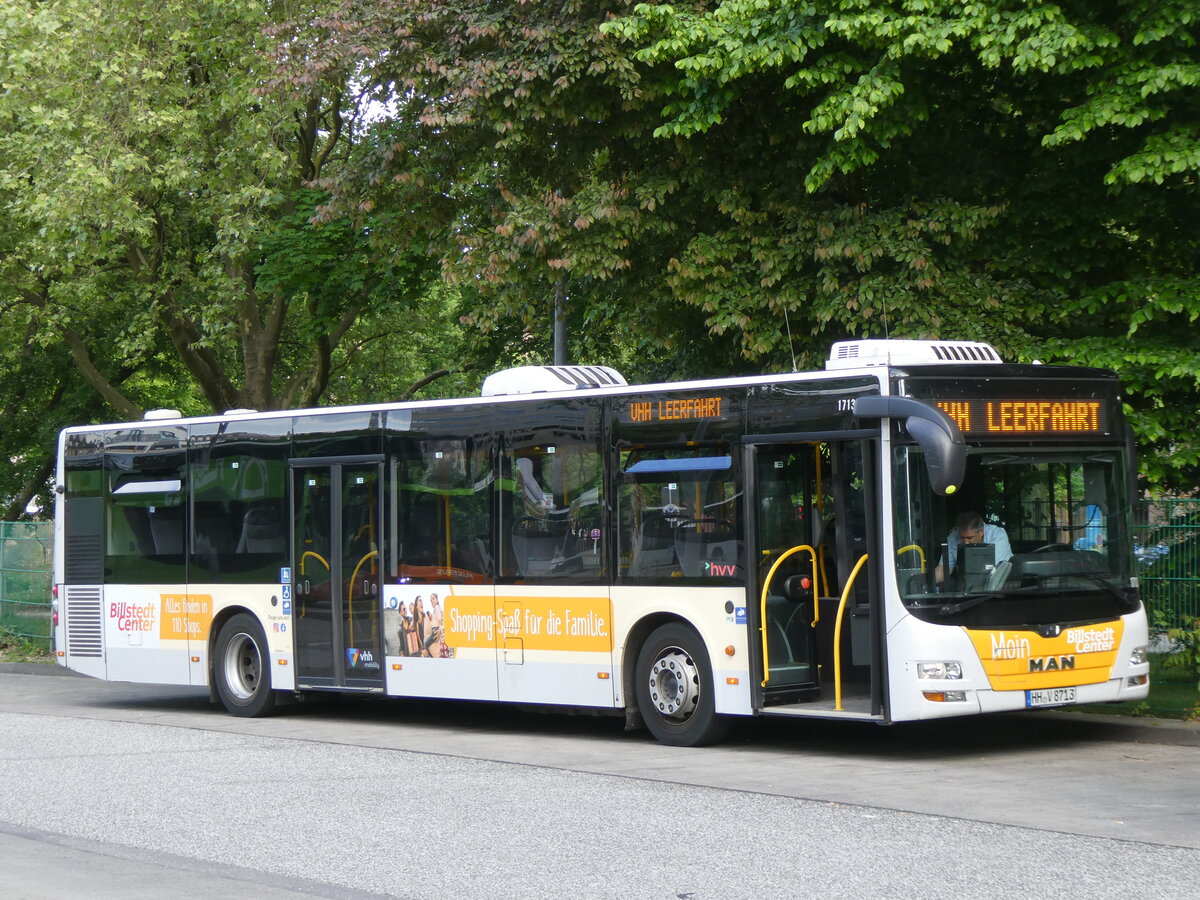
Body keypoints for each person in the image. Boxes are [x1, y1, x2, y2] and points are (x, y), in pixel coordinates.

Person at [936, 511, 1011, 584]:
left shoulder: (998, 535)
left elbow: (995, 571)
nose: (965, 541)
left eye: (970, 538)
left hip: (1001, 584)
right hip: (967, 586)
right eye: (962, 537)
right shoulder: (953, 538)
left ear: (981, 532)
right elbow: (943, 571)